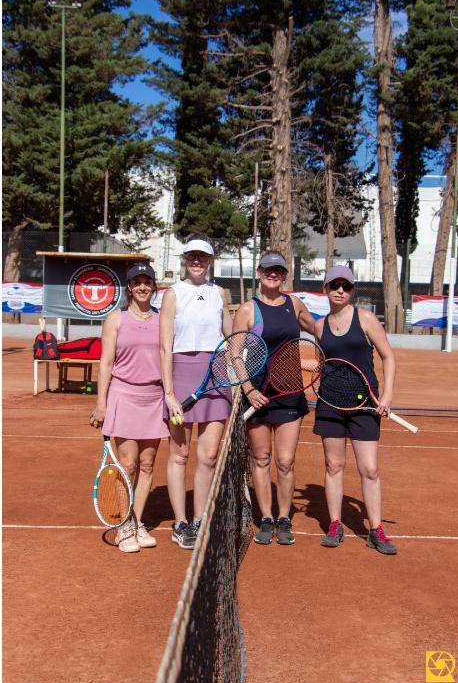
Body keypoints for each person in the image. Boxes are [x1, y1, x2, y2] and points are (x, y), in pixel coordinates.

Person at [313, 265, 399, 555]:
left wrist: (386, 396)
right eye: (334, 285)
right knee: (333, 466)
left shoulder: (365, 318)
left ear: (351, 291)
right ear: (325, 289)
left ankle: (375, 528)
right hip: (330, 403)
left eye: (346, 286)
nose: (340, 290)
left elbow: (388, 357)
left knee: (370, 469)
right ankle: (335, 524)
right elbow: (322, 364)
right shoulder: (319, 326)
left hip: (365, 404)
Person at [235, 251, 317, 546]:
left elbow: (319, 329)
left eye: (279, 270)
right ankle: (266, 518)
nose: (273, 274)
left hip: (290, 394)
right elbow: (234, 354)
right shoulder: (247, 309)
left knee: (285, 461)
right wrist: (249, 390)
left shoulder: (294, 304)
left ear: (284, 275)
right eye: (269, 269)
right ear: (259, 272)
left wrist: (346, 339)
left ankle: (284, 518)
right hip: (257, 396)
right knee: (261, 458)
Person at [89, 262, 168, 554]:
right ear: (130, 287)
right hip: (123, 395)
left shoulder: (163, 319)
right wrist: (101, 403)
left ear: (154, 285)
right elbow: (106, 363)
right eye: (137, 282)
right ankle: (123, 523)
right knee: (128, 464)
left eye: (147, 281)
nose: (143, 287)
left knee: (147, 465)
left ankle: (136, 521)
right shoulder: (115, 319)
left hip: (155, 397)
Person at [160, 235, 232, 550]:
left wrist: (240, 379)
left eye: (202, 257)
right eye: (192, 256)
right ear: (186, 259)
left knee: (209, 455)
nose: (197, 261)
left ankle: (201, 519)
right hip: (182, 375)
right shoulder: (173, 294)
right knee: (180, 454)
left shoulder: (220, 293)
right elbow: (164, 346)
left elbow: (232, 339)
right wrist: (169, 392)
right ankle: (180, 523)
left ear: (210, 261)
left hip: (216, 376)